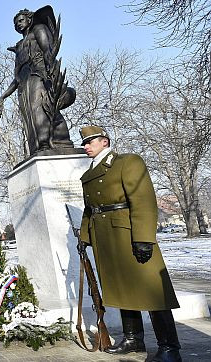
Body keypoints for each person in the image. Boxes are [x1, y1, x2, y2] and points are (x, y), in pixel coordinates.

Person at [78, 126, 181, 361]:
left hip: (128, 234)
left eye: (90, 142)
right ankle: (133, 339)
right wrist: (85, 237)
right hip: (106, 238)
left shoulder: (127, 162)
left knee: (152, 290)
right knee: (122, 289)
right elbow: (89, 209)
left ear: (104, 141)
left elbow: (143, 200)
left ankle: (169, 348)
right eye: (84, 143)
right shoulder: (89, 173)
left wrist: (144, 238)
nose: (85, 146)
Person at [0, 7, 75, 155]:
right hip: (24, 85)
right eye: (15, 23)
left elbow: (48, 53)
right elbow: (17, 77)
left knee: (40, 109)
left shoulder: (38, 30)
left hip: (39, 76)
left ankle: (48, 143)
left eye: (21, 20)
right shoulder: (19, 46)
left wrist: (53, 77)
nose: (18, 24)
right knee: (29, 115)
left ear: (29, 19)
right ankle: (37, 147)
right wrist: (3, 96)